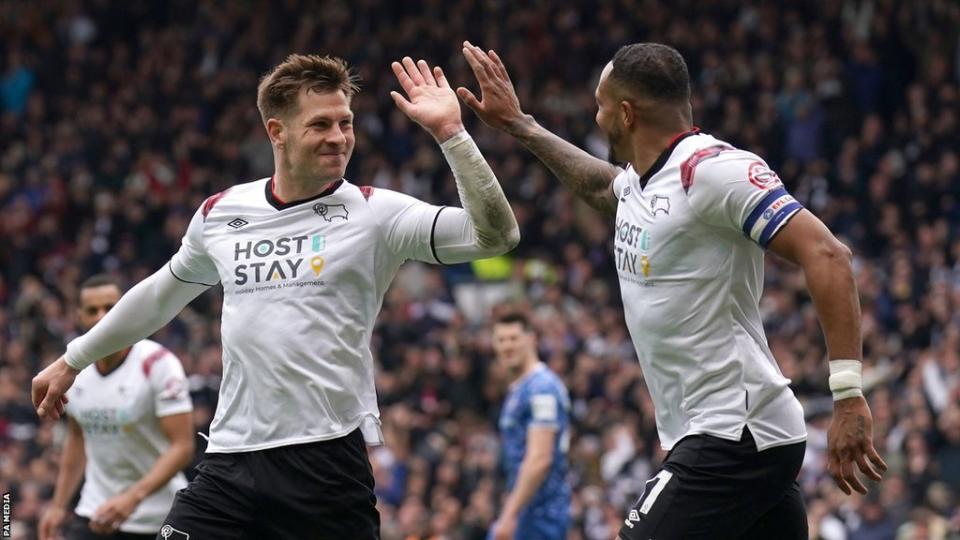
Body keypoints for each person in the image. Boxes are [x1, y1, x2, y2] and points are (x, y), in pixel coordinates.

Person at [32, 53, 520, 539]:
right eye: (320, 124)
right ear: (276, 132)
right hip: (230, 458)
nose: (338, 137)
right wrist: (73, 359)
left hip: (325, 463)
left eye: (345, 122)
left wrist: (451, 136)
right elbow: (161, 295)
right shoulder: (221, 212)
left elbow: (495, 237)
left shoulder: (376, 213)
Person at [457, 41, 887, 539]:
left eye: (599, 107)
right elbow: (603, 189)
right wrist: (519, 125)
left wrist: (848, 396)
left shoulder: (711, 170)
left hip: (733, 434)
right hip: (735, 435)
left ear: (625, 113)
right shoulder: (643, 181)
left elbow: (829, 255)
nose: (596, 119)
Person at [38, 275, 194, 540]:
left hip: (156, 516)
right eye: (92, 310)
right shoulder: (72, 372)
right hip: (95, 511)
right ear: (79, 316)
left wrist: (132, 498)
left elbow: (183, 446)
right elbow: (77, 438)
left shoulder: (159, 363)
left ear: (125, 310)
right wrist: (58, 505)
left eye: (111, 308)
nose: (102, 317)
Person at [489, 312, 571, 540]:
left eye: (513, 338)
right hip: (526, 510)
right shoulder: (519, 388)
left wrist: (508, 514)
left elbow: (540, 459)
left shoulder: (541, 388)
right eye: (501, 339)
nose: (507, 346)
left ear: (531, 339)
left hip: (541, 514)